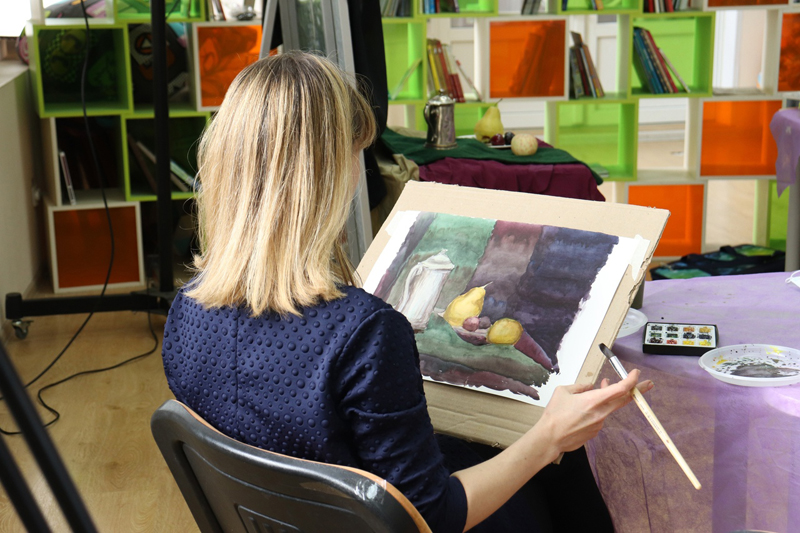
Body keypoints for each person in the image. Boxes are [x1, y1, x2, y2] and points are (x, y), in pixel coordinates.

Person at [161, 51, 653, 533]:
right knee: (559, 466)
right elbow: (432, 517)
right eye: (355, 155)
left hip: (289, 517)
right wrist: (550, 437)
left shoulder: (185, 313)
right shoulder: (366, 332)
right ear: (326, 177)